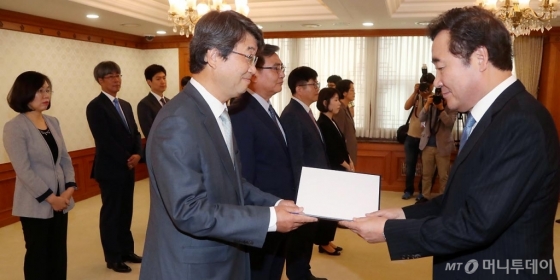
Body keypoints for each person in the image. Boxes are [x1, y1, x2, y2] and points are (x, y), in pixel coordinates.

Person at [341, 6, 560, 280]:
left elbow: (478, 224)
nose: (439, 82)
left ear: (480, 58)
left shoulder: (521, 122)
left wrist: (387, 232)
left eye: (441, 67)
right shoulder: (493, 116)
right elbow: (460, 200)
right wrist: (402, 215)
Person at [139, 11, 317, 280]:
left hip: (224, 258)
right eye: (248, 56)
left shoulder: (218, 112)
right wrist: (269, 220)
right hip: (193, 268)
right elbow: (189, 211)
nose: (252, 69)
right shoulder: (179, 121)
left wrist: (278, 203)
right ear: (213, 56)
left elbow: (234, 184)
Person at [228, 44, 294, 280]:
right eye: (275, 68)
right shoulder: (241, 114)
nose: (282, 73)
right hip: (264, 216)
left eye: (281, 67)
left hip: (280, 211)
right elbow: (244, 176)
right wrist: (259, 220)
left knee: (273, 271)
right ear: (253, 73)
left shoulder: (267, 109)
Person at [3, 71, 77, 280]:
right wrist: (51, 198)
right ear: (25, 93)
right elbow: (24, 170)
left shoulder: (53, 122)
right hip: (36, 203)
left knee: (58, 253)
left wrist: (69, 190)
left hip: (62, 200)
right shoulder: (15, 127)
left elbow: (65, 159)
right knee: (38, 256)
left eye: (47, 90)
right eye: (39, 91)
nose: (45, 95)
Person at [86, 61, 143, 273]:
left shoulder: (126, 105)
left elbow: (135, 133)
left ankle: (126, 250)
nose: (116, 79)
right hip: (110, 169)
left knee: (125, 211)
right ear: (100, 80)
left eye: (118, 75)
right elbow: (105, 140)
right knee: (111, 214)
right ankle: (113, 257)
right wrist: (127, 158)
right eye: (110, 76)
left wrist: (138, 154)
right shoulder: (95, 106)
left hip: (128, 167)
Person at [280, 66, 329, 280]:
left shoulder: (307, 113)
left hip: (316, 185)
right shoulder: (292, 115)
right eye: (313, 84)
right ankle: (298, 273)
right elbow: (296, 157)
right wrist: (303, 192)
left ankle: (303, 271)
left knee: (308, 232)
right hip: (305, 188)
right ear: (299, 88)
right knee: (301, 234)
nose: (318, 87)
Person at [315, 87, 355, 256]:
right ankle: (323, 242)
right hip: (333, 170)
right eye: (336, 100)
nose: (339, 103)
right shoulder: (323, 123)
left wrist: (349, 161)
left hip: (340, 169)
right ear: (326, 103)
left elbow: (341, 145)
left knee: (335, 208)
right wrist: (347, 165)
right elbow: (332, 151)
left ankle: (328, 239)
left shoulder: (332, 121)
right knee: (329, 208)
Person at [415, 90, 457, 203]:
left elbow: (449, 123)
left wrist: (441, 109)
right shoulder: (430, 106)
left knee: (443, 176)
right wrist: (427, 104)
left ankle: (442, 198)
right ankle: (425, 196)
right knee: (426, 174)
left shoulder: (452, 109)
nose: (439, 100)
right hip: (427, 146)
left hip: (442, 148)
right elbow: (421, 118)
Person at [401, 73, 435, 200]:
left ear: (432, 85)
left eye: (428, 84)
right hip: (411, 136)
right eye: (423, 84)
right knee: (410, 165)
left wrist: (427, 98)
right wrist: (415, 92)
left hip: (426, 138)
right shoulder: (417, 96)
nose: (426, 87)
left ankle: (423, 192)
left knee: (426, 168)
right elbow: (406, 107)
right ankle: (408, 190)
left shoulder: (433, 98)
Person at [137, 64, 169, 139]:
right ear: (149, 82)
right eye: (158, 79)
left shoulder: (170, 102)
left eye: (164, 78)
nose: (162, 82)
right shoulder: (144, 104)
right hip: (157, 147)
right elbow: (149, 132)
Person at [333, 79, 357, 166]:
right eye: (352, 90)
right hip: (344, 156)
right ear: (344, 93)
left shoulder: (346, 107)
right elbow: (339, 135)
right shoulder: (340, 110)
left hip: (349, 152)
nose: (354, 93)